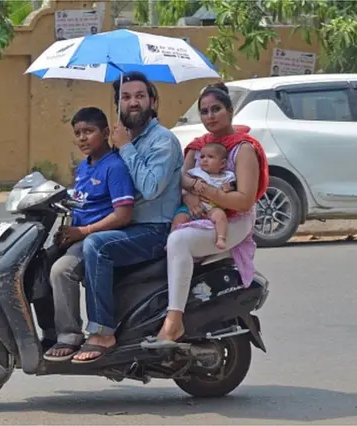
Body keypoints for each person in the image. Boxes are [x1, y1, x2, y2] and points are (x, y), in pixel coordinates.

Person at [142, 82, 269, 349]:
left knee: (179, 242)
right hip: (196, 211)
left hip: (232, 218)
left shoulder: (242, 148)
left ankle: (174, 322)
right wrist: (190, 196)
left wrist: (205, 190)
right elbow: (180, 181)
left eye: (216, 109)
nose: (210, 116)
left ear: (231, 111)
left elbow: (244, 200)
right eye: (204, 111)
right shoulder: (198, 147)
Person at [71, 71, 184, 363]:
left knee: (96, 245)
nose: (133, 103)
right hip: (128, 226)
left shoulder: (162, 141)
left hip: (153, 229)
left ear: (152, 101)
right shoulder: (124, 138)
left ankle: (101, 332)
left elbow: (150, 187)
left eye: (139, 96)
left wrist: (125, 148)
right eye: (125, 97)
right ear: (118, 105)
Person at [43, 107, 136, 361]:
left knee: (61, 270)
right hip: (78, 236)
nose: (82, 138)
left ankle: (69, 336)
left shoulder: (114, 167)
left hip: (98, 240)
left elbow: (123, 214)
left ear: (106, 133)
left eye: (89, 131)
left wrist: (82, 231)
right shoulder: (84, 167)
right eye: (78, 133)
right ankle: (49, 331)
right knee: (39, 264)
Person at [171, 142, 236, 249]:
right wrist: (194, 183)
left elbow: (234, 187)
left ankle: (221, 238)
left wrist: (229, 187)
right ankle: (171, 238)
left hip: (213, 207)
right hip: (191, 206)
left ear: (223, 163)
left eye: (210, 157)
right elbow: (183, 180)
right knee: (179, 217)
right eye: (202, 157)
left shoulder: (227, 176)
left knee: (221, 217)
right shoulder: (197, 172)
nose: (204, 159)